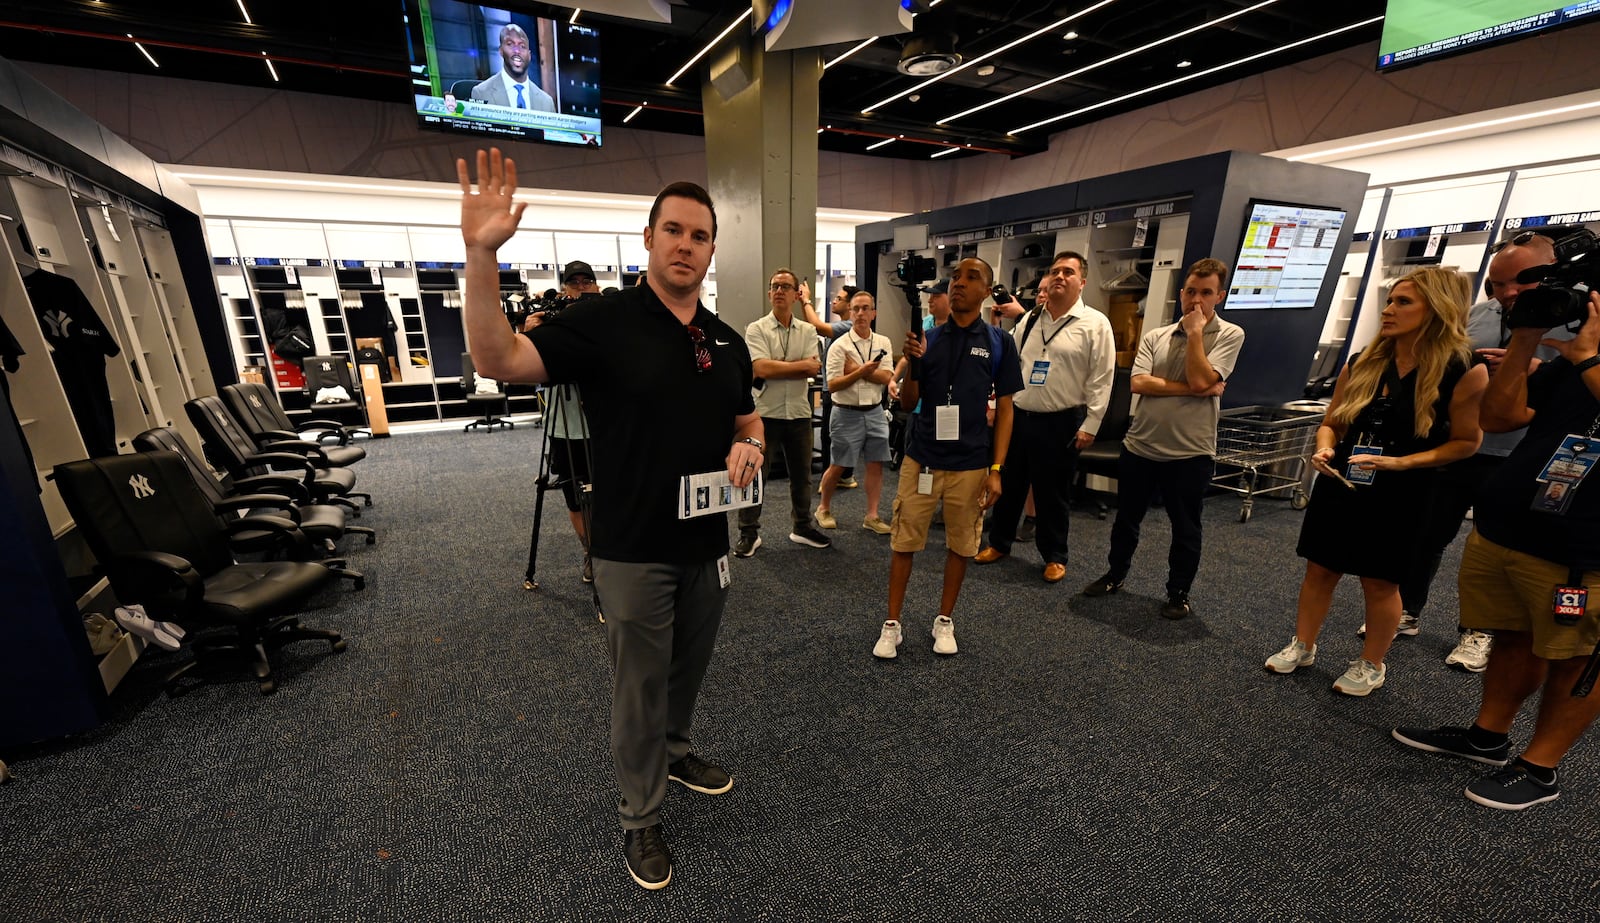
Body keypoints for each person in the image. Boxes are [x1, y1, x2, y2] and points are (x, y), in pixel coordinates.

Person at [459, 148, 761, 889]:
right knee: (639, 687)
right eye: (674, 231)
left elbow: (746, 416)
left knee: (687, 669)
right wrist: (479, 254)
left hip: (705, 540)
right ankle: (640, 815)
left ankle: (678, 747)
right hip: (630, 546)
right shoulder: (603, 322)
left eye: (699, 235)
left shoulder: (724, 339)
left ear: (712, 248)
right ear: (649, 239)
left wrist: (748, 444)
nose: (685, 245)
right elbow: (499, 357)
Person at [1392, 288, 1600, 811]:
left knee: (1575, 659)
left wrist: (1589, 358)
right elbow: (1502, 417)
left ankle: (1541, 766)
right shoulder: (1573, 364)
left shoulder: (1588, 359)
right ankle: (1488, 736)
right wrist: (1527, 338)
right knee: (1512, 638)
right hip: (1508, 529)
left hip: (1582, 551)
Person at [1265, 267, 1488, 696]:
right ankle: (1303, 644)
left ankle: (1372, 662)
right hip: (1343, 479)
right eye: (1390, 300)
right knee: (1320, 568)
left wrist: (1402, 464)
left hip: (1405, 490)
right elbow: (1332, 423)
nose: (1388, 309)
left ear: (1437, 309)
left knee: (1381, 581)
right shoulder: (1364, 361)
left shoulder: (1465, 369)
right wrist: (1325, 447)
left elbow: (1465, 443)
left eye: (1403, 302)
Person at [1392, 233, 1566, 671]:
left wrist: (1539, 370)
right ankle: (1407, 610)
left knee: (1492, 549)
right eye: (1497, 283)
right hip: (1464, 447)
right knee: (1428, 534)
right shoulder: (1479, 315)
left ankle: (1478, 633)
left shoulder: (1577, 319)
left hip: (1524, 458)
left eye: (1519, 282)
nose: (1506, 293)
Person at [876, 257, 1023, 659]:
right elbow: (908, 403)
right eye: (955, 277)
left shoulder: (999, 342)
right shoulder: (928, 338)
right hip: (922, 456)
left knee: (962, 544)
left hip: (972, 462)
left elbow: (1006, 410)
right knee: (904, 540)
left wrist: (997, 470)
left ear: (986, 290)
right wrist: (915, 365)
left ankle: (944, 620)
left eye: (970, 277)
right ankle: (892, 624)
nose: (959, 283)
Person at [1082, 258, 1245, 617]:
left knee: (1185, 526)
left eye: (1205, 293)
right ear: (1181, 292)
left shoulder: (1231, 334)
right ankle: (1115, 574)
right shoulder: (1156, 336)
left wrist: (1197, 334)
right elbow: (1139, 383)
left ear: (1219, 295)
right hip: (1141, 447)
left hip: (1190, 453)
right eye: (1190, 291)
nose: (1195, 300)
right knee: (1127, 519)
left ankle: (1178, 593)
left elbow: (1203, 378)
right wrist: (1195, 389)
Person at [975, 251, 1114, 583]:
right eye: (1054, 272)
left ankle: (1054, 555)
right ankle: (999, 543)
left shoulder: (1095, 324)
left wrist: (1091, 423)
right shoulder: (1031, 318)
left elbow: (1102, 378)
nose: (1059, 277)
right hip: (1019, 416)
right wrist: (995, 402)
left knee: (1053, 493)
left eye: (1068, 272)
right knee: (1008, 484)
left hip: (1061, 421)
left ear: (1082, 282)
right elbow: (1010, 366)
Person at [734, 268, 832, 556]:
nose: (779, 291)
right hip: (764, 415)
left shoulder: (808, 330)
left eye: (785, 286)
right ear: (769, 293)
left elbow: (814, 367)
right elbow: (761, 368)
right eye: (775, 286)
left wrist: (781, 366)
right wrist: (797, 366)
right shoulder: (756, 329)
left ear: (795, 294)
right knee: (755, 475)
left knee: (802, 476)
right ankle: (748, 532)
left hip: (799, 413)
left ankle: (802, 526)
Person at [523, 260, 602, 582]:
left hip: (609, 423)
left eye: (587, 281)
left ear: (596, 287)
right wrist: (532, 337)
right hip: (564, 426)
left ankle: (617, 551)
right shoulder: (550, 322)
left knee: (615, 491)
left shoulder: (610, 318)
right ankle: (591, 552)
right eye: (575, 282)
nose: (581, 287)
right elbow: (527, 372)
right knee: (576, 495)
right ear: (565, 288)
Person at [817, 291, 894, 534]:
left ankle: (872, 515)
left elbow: (886, 377)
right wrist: (864, 372)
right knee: (839, 465)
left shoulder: (883, 342)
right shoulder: (839, 346)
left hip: (875, 412)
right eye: (856, 309)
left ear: (873, 313)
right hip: (846, 412)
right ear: (850, 313)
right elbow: (833, 384)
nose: (860, 313)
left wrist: (857, 369)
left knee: (875, 465)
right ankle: (823, 508)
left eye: (865, 308)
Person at [469, 24, 556, 112]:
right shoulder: (481, 93)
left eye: (522, 46)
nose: (517, 51)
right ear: (501, 51)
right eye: (510, 44)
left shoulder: (547, 103)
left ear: (529, 55)